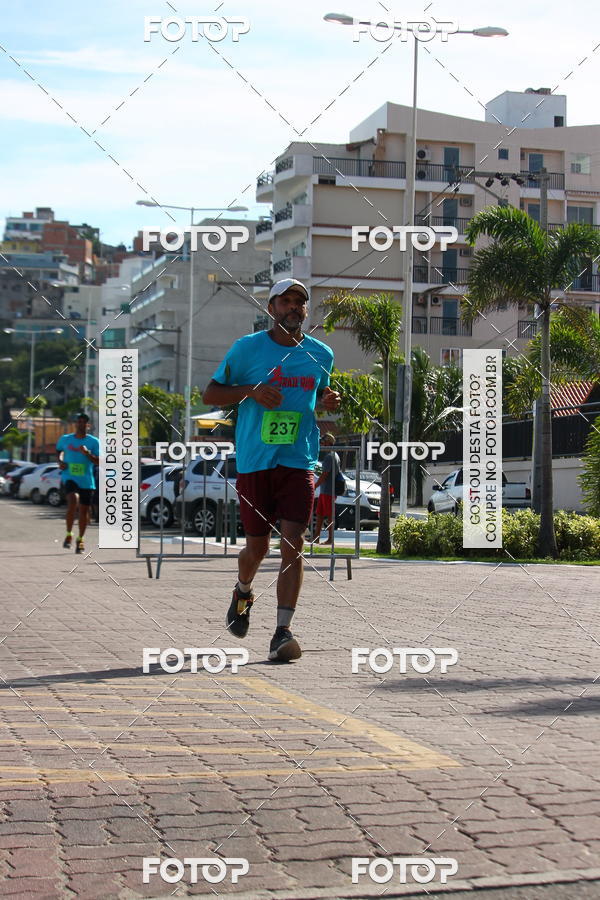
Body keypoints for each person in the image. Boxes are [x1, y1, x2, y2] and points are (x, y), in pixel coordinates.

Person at [202, 278, 341, 662]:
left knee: (293, 543)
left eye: (300, 302)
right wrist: (250, 391)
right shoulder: (246, 350)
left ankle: (282, 632)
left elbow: (318, 398)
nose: (294, 307)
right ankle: (243, 590)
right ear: (271, 308)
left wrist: (327, 401)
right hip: (255, 461)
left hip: (298, 460)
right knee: (257, 547)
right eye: (286, 301)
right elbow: (210, 394)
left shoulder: (321, 354)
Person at [56, 413, 100, 553]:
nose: (81, 424)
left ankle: (80, 539)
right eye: (78, 421)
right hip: (69, 476)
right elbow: (58, 452)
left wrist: (87, 454)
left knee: (84, 511)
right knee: (73, 500)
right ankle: (69, 534)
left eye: (84, 422)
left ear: (88, 425)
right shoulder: (65, 439)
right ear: (76, 424)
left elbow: (98, 461)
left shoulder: (94, 442)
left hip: (86, 481)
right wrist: (60, 462)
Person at [313, 433, 341, 545]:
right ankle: (316, 537)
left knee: (329, 516)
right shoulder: (333, 455)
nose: (321, 444)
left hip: (329, 491)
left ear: (328, 442)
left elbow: (325, 474)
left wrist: (315, 486)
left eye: (323, 442)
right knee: (319, 514)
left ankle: (330, 539)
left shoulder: (330, 456)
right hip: (325, 491)